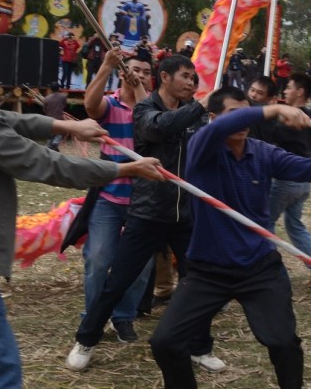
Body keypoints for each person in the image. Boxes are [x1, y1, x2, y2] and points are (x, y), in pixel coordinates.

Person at [0, 38, 161, 389]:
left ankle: (122, 317)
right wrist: (124, 170)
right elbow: (50, 164)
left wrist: (67, 127)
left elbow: (0, 117)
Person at [148, 87, 311, 389]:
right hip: (207, 271)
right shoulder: (201, 148)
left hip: (259, 268)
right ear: (214, 117)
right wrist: (274, 109)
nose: (242, 122)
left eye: (246, 113)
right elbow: (220, 128)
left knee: (284, 343)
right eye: (234, 114)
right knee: (165, 342)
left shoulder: (262, 152)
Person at [67, 55, 224, 373]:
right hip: (148, 213)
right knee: (117, 281)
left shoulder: (195, 114)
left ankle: (199, 346)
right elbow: (158, 129)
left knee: (196, 283)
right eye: (185, 76)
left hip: (184, 215)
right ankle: (86, 339)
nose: (191, 83)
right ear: (165, 77)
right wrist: (201, 106)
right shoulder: (145, 110)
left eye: (194, 78)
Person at [77, 47, 155, 343]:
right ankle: (94, 317)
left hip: (143, 202)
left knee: (141, 266)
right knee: (98, 259)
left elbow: (152, 125)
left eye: (147, 72)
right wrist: (106, 66)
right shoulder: (109, 105)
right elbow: (89, 106)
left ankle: (124, 317)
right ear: (124, 70)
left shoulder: (154, 110)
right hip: (109, 198)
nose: (141, 75)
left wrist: (138, 90)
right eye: (136, 70)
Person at [257, 73, 311, 289]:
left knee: (264, 225)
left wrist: (267, 111)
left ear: (299, 92)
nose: (285, 92)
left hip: (286, 181)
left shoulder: (294, 119)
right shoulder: (310, 116)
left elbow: (271, 134)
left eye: (288, 88)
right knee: (295, 225)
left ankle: (267, 272)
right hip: (302, 182)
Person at [43, 81, 68, 151]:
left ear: (50, 89)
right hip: (59, 119)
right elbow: (64, 106)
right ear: (59, 88)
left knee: (50, 135)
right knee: (60, 133)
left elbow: (44, 110)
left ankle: (48, 149)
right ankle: (55, 143)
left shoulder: (47, 98)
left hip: (49, 120)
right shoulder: (63, 97)